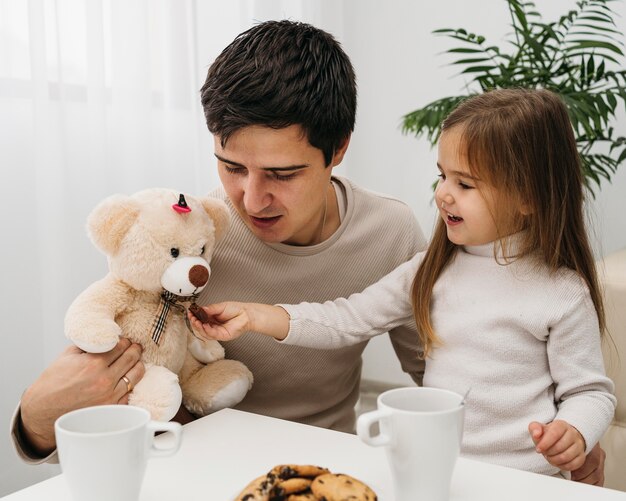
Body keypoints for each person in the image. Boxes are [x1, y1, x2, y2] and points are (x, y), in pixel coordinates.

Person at [11, 20, 425, 463]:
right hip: (193, 467)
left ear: (338, 149)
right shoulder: (187, 242)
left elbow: (442, 376)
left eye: (282, 174)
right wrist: (35, 424)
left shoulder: (391, 232)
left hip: (326, 468)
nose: (251, 199)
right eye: (231, 167)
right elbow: (101, 404)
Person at [190, 88, 616, 478]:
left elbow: (591, 391)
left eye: (464, 183)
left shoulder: (562, 293)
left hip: (527, 481)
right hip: (440, 472)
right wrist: (259, 315)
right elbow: (348, 318)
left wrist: (575, 429)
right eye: (442, 176)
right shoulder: (428, 270)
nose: (443, 195)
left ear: (528, 197)